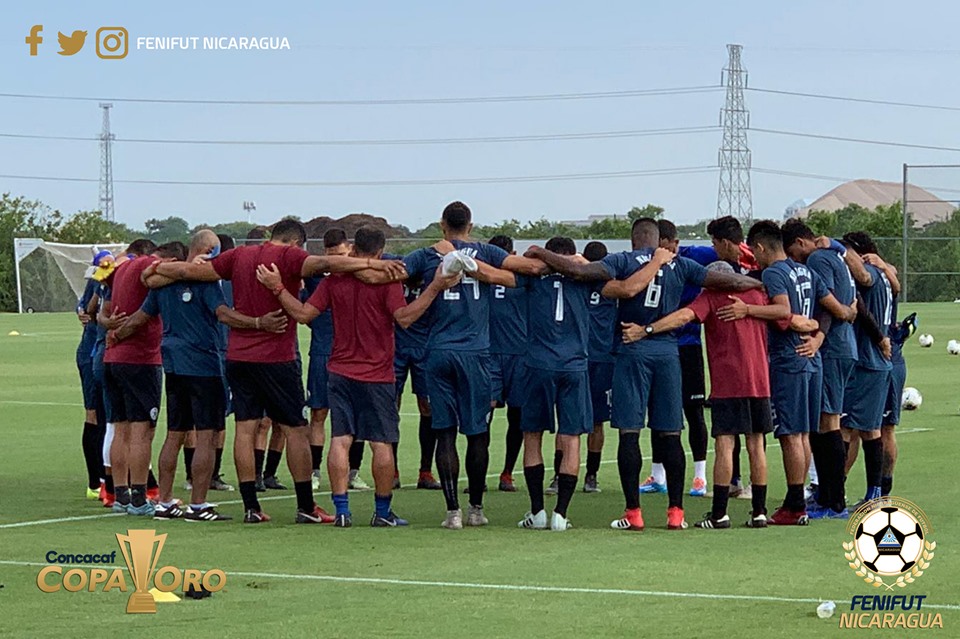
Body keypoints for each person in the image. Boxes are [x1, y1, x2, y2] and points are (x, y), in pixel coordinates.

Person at [150, 219, 406, 524]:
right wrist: (372, 265)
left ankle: (251, 508)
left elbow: (186, 271)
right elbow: (325, 262)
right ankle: (306, 506)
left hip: (238, 357)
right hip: (276, 357)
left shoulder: (239, 256)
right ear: (296, 243)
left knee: (245, 429)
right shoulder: (288, 257)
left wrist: (151, 268)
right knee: (295, 429)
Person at [526, 217, 762, 531]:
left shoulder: (622, 260)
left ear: (634, 238)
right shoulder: (679, 263)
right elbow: (726, 281)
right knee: (670, 434)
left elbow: (579, 272)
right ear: (658, 239)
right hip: (667, 353)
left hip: (631, 349)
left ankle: (633, 513)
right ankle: (676, 513)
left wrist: (541, 252)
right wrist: (759, 284)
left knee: (629, 433)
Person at [257, 226, 460, 527]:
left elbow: (303, 314)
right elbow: (404, 318)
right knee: (381, 443)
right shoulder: (387, 282)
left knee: (340, 439)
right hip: (377, 373)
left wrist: (277, 288)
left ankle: (341, 511)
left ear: (353, 248)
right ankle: (382, 512)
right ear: (380, 252)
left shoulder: (335, 280)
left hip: (339, 370)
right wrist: (435, 287)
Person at [627, 261, 818, 528]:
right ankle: (759, 512)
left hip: (728, 382)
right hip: (759, 383)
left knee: (725, 445)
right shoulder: (758, 297)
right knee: (756, 444)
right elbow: (794, 319)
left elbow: (684, 316)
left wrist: (647, 330)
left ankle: (719, 514)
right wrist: (817, 330)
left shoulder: (712, 297)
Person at [401, 201, 546, 529]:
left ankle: (452, 512)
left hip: (437, 351)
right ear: (470, 225)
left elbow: (395, 272)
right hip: (476, 354)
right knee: (478, 434)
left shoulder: (427, 255)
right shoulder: (487, 251)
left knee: (445, 433)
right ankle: (476, 509)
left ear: (442, 225)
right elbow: (527, 269)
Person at [745, 220, 856, 526]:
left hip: (789, 358)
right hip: (813, 360)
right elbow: (835, 308)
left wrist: (748, 310)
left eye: (754, 252)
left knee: (791, 434)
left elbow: (781, 311)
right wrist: (829, 325)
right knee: (805, 433)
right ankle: (804, 499)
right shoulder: (807, 271)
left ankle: (795, 504)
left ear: (760, 247)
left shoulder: (774, 272)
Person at [515, 237, 598, 531]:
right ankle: (561, 514)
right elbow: (606, 273)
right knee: (572, 437)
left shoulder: (533, 277)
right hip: (573, 365)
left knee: (532, 435)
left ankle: (537, 511)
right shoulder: (584, 277)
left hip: (538, 363)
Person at [782, 220, 860, 519]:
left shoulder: (816, 259)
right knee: (826, 422)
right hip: (843, 346)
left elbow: (828, 303)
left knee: (828, 423)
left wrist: (835, 321)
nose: (795, 259)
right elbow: (856, 287)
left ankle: (833, 501)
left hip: (833, 348)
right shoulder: (837, 255)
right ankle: (828, 495)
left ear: (802, 242)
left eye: (793, 251)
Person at [100, 240, 175, 516]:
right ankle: (140, 498)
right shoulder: (145, 264)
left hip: (113, 359)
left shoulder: (121, 269)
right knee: (142, 432)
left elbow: (104, 307)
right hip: (140, 359)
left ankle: (120, 494)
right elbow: (154, 271)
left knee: (120, 429)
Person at [658, 220, 716, 497]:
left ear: (673, 243)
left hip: (689, 345)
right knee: (660, 413)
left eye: (664, 245)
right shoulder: (646, 264)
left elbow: (732, 251)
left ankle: (700, 476)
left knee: (694, 412)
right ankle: (658, 475)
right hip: (660, 347)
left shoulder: (694, 256)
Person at [839, 232, 893, 508]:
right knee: (867, 429)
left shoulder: (870, 272)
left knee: (851, 429)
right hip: (875, 363)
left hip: (867, 362)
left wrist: (836, 248)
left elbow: (862, 277)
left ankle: (841, 494)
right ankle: (873, 493)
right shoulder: (884, 274)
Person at [301, 228, 352, 490]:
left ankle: (352, 472)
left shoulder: (362, 273)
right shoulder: (314, 277)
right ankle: (314, 470)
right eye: (332, 257)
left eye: (341, 255)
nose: (337, 262)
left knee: (354, 415)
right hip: (322, 352)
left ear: (350, 250)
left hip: (354, 355)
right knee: (319, 413)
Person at [390, 249, 442, 491]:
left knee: (428, 408)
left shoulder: (432, 278)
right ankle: (392, 470)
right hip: (395, 347)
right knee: (392, 407)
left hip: (424, 348)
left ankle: (425, 471)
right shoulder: (394, 275)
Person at [487, 235, 528, 493]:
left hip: (519, 355)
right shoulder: (482, 277)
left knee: (518, 416)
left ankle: (507, 473)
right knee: (484, 415)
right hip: (490, 355)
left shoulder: (525, 278)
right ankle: (482, 473)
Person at [582, 241, 616, 493]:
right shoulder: (613, 285)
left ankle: (578, 475)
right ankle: (589, 476)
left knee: (579, 421)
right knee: (596, 422)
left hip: (584, 358)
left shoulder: (611, 286)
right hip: (597, 359)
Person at [76, 262, 105, 500]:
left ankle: (110, 478)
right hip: (91, 352)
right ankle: (95, 481)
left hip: (108, 354)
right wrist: (82, 310)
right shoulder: (99, 279)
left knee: (114, 417)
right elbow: (83, 305)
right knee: (94, 414)